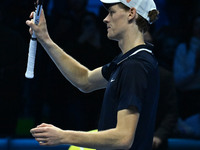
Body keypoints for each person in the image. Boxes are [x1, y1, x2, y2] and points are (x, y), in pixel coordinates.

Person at [27, 0, 159, 149]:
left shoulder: (136, 65)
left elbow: (123, 137)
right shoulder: (127, 61)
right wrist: (45, 38)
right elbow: (85, 80)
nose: (105, 18)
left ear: (131, 13)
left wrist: (63, 136)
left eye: (112, 12)